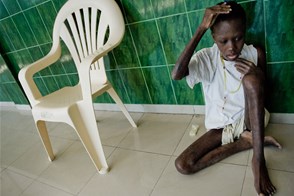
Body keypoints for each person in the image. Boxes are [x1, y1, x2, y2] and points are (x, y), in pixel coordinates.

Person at [172, 1, 282, 196]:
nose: (232, 47)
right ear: (213, 37)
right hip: (221, 127)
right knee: (183, 165)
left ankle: (258, 159)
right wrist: (200, 28)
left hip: (250, 121)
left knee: (252, 79)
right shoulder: (206, 58)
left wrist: (257, 75)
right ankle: (245, 143)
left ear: (244, 33)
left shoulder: (255, 53)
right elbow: (177, 74)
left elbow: (264, 94)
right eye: (224, 41)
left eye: (238, 38)